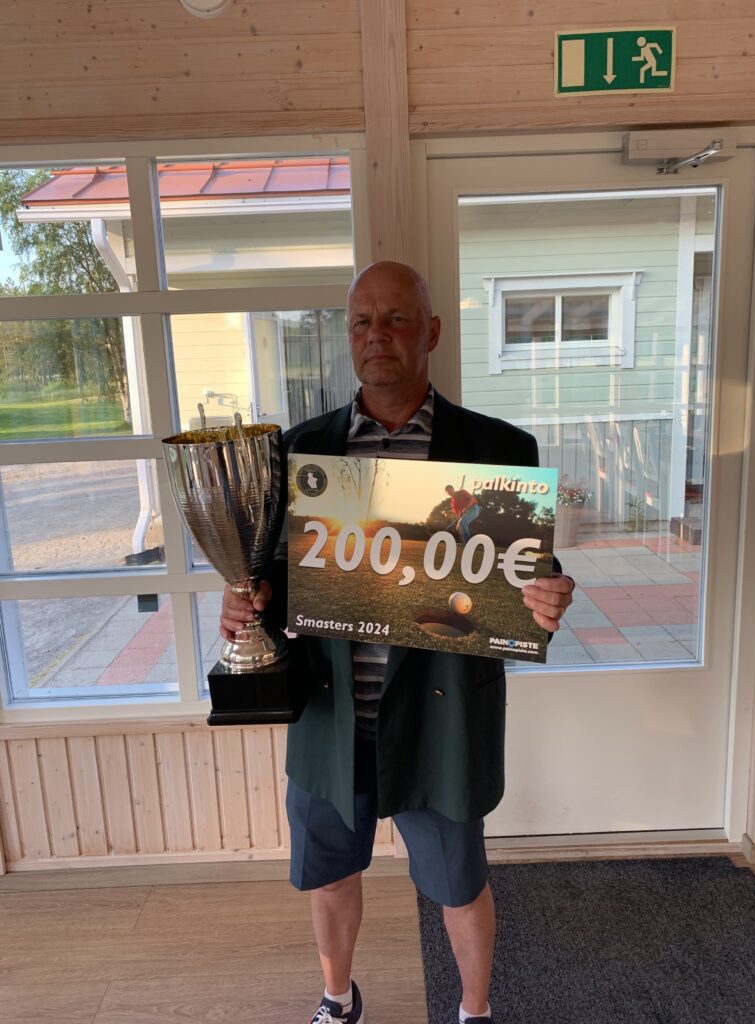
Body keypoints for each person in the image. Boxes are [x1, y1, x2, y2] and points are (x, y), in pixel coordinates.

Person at [221, 261, 575, 1024]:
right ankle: (337, 999)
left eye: (396, 319)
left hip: (442, 714)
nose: (376, 335)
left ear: (432, 332)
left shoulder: (498, 448)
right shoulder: (301, 450)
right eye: (361, 321)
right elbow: (276, 571)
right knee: (329, 875)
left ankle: (473, 1011)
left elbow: (524, 577)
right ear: (348, 336)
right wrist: (251, 598)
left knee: (458, 883)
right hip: (333, 714)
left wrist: (548, 594)